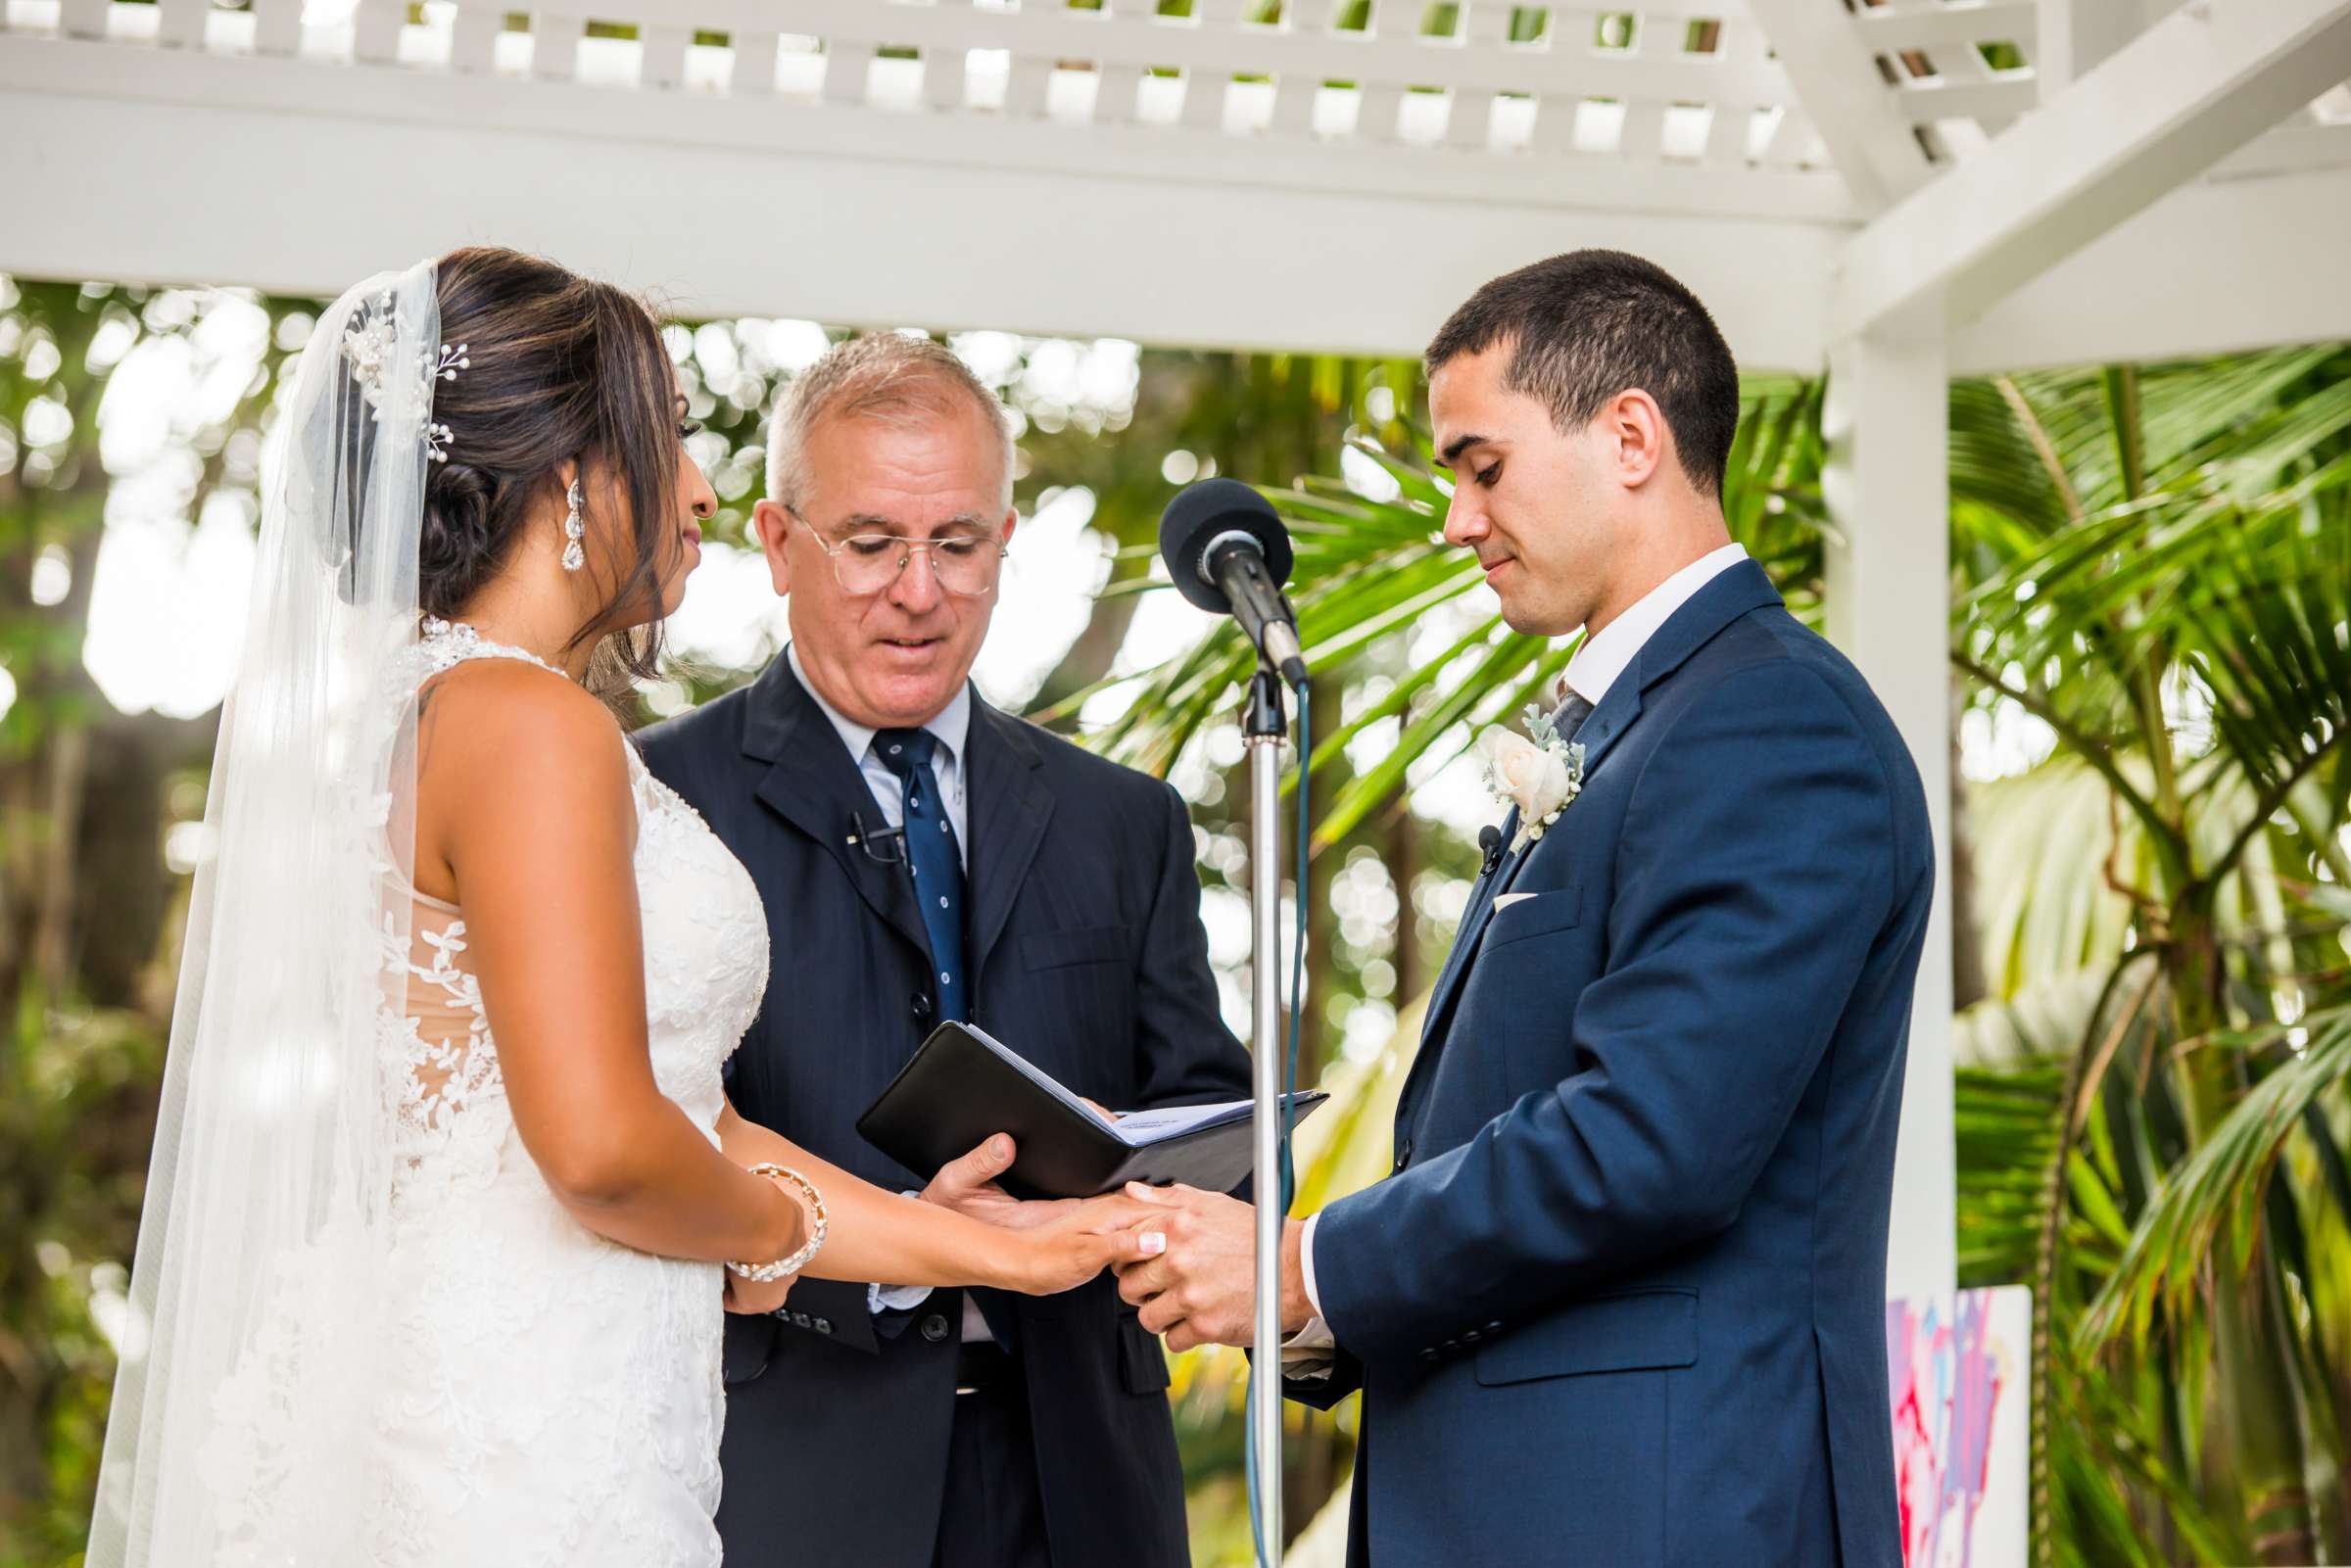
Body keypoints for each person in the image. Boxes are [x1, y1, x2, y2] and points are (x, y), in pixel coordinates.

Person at [86, 248, 1160, 1568]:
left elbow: (691, 1121)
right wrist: (770, 1239)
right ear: (575, 482)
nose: (703, 488)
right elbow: (600, 1150)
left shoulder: (443, 712)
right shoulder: (527, 724)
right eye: (678, 435)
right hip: (517, 1433)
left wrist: (999, 1251)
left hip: (552, 1387)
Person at [1112, 250, 1932, 1567]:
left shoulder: (1772, 723)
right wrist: (1308, 1301)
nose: (1455, 518)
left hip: (1671, 1512)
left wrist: (1308, 1264)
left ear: (1629, 436)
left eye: (1480, 465)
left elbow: (1653, 1138)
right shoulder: (1649, 727)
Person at [635, 333, 1251, 1568]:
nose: (918, 591)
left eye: (958, 544)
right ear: (776, 542)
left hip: (1086, 1482)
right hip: (789, 1476)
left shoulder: (1126, 819)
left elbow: (1205, 1115)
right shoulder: (655, 798)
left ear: (1006, 543)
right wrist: (907, 1240)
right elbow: (636, 1157)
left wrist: (1133, 1161)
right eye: (870, 544)